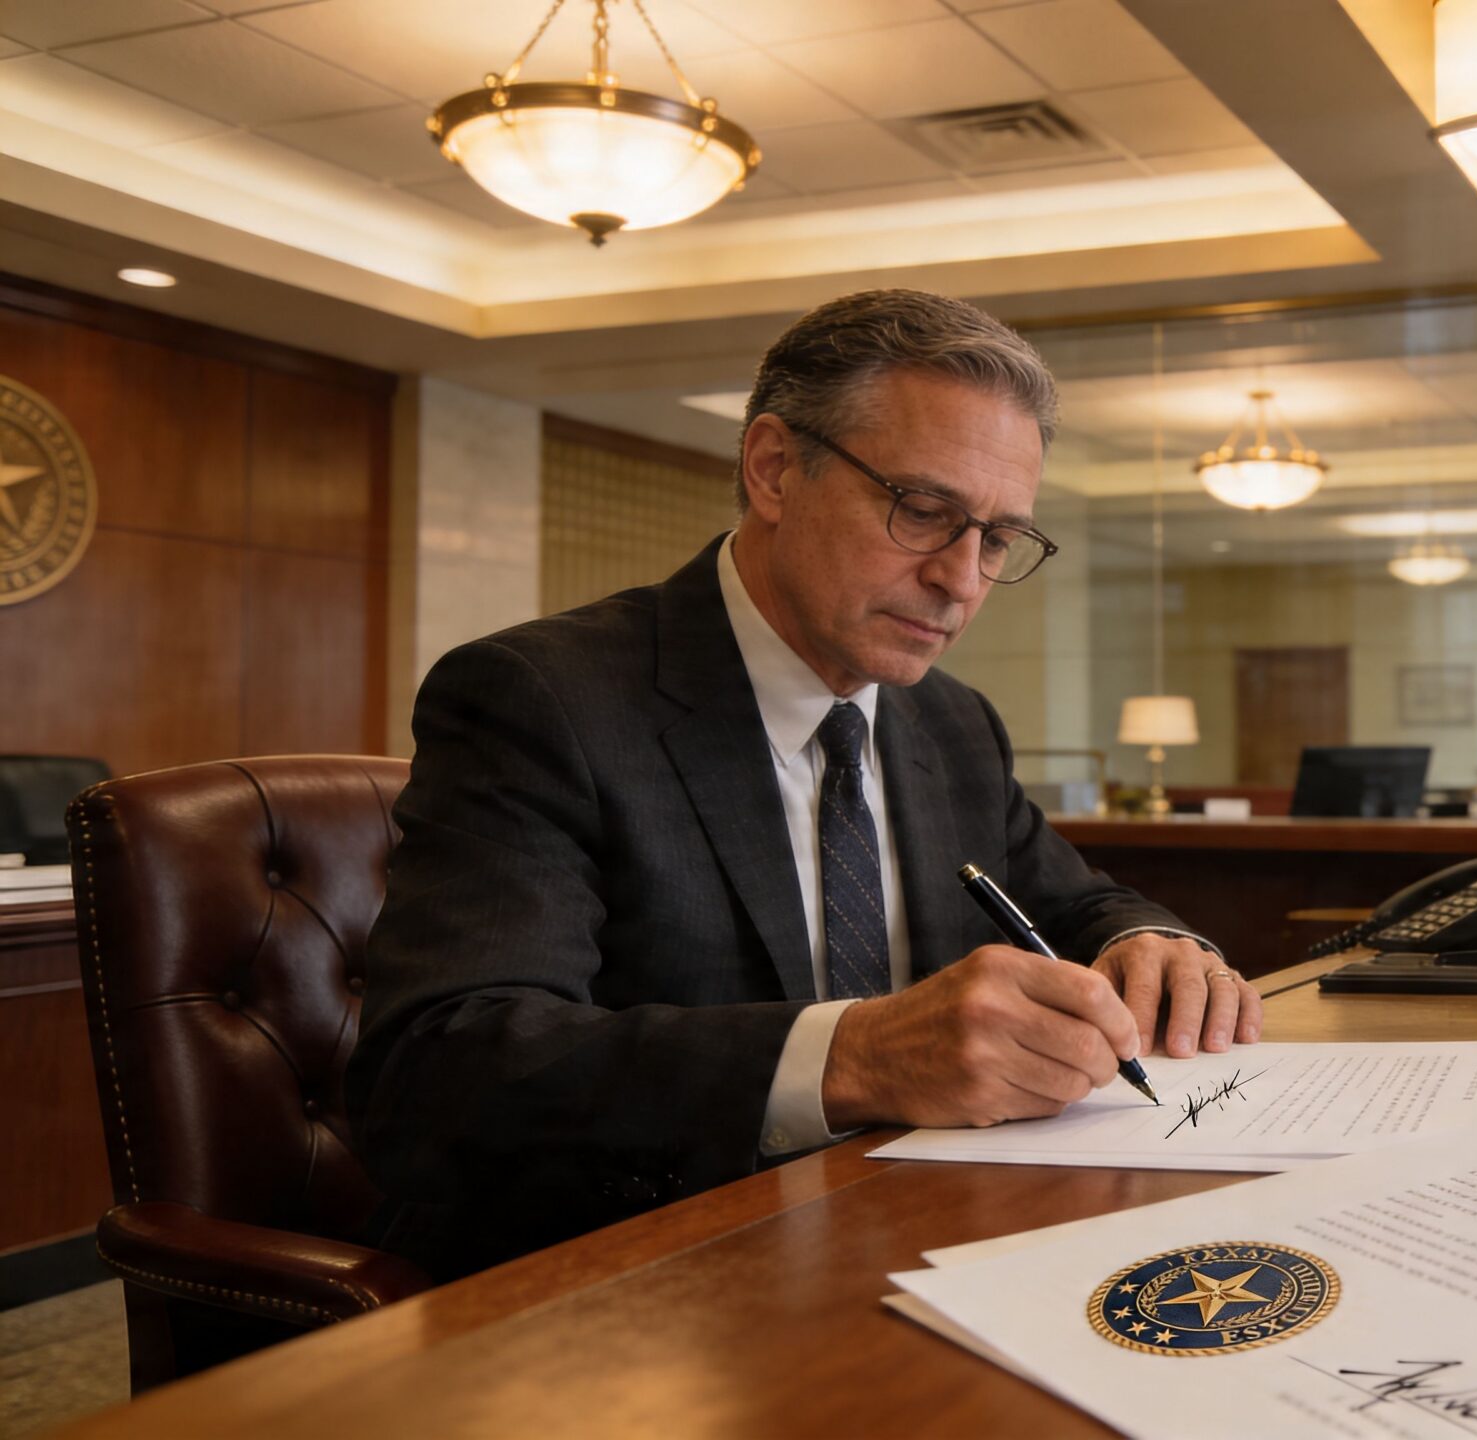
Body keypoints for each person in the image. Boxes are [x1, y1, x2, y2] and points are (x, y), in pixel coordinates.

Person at [351, 290, 1261, 1276]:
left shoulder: (952, 722)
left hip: (922, 1234)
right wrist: (859, 1056)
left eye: (997, 539)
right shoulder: (543, 698)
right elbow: (445, 1069)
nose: (962, 580)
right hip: (634, 1284)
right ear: (774, 468)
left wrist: (1149, 940)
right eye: (923, 510)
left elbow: (1071, 901)